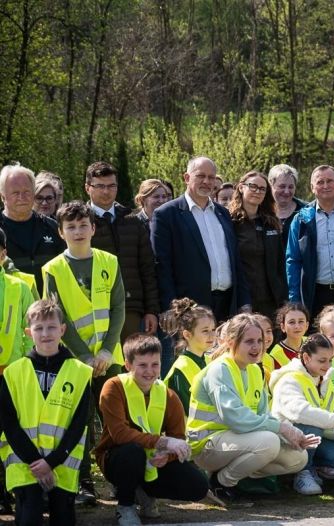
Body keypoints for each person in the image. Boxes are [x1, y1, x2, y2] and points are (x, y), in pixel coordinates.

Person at [42, 200, 126, 505]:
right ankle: (83, 483)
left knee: (116, 421)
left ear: (93, 228)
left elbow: (118, 308)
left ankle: (119, 478)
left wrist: (105, 351)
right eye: (71, 227)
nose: (78, 231)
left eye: (83, 225)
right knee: (78, 423)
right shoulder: (52, 269)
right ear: (62, 233)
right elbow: (58, 316)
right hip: (74, 360)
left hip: (109, 357)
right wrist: (85, 357)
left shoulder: (109, 262)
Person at [187, 313, 315, 502]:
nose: (256, 347)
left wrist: (290, 435)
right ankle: (220, 484)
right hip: (206, 445)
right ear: (231, 342)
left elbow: (263, 415)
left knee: (298, 457)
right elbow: (236, 419)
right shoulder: (219, 369)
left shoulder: (256, 370)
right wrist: (282, 428)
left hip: (238, 440)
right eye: (249, 341)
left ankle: (233, 476)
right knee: (269, 442)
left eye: (259, 340)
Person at [96, 333, 208, 524]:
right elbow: (120, 434)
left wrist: (168, 456)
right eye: (142, 365)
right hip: (116, 457)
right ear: (128, 365)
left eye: (155, 364)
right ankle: (125, 505)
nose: (149, 371)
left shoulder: (169, 396)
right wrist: (163, 442)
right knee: (132, 452)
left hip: (152, 460)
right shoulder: (113, 387)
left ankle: (145, 491)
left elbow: (178, 437)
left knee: (198, 485)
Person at [0, 299, 91, 526]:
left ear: (62, 330)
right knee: (29, 517)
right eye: (38, 328)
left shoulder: (80, 372)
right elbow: (9, 423)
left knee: (63, 519)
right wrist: (37, 463)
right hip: (24, 463)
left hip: (62, 462)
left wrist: (51, 462)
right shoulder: (13, 372)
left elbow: (79, 424)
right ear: (29, 332)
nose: (45, 333)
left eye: (51, 327)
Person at [270, 334, 334, 496]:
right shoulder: (289, 380)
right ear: (306, 358)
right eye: (322, 360)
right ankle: (302, 473)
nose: (327, 365)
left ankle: (313, 467)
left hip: (312, 437)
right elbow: (300, 412)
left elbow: (326, 416)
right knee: (312, 423)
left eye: (330, 360)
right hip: (285, 440)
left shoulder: (324, 380)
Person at [151, 156, 251, 322]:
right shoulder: (166, 214)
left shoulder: (223, 214)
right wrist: (170, 308)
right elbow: (162, 266)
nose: (207, 181)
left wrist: (244, 301)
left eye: (211, 177)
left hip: (227, 306)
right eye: (201, 176)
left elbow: (235, 261)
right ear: (186, 178)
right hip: (190, 309)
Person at [287, 165, 334, 340]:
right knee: (318, 346)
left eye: (330, 181)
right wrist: (295, 299)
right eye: (320, 182)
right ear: (312, 188)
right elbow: (293, 260)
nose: (325, 185)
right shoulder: (301, 219)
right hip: (316, 294)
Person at [85, 161, 160, 340]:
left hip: (131, 308)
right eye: (100, 186)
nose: (106, 191)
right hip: (93, 310)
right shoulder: (80, 222)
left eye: (111, 186)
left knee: (131, 364)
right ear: (88, 188)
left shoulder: (132, 220)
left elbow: (147, 269)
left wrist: (151, 310)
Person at [229, 171, 287, 320]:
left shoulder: (271, 222)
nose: (257, 191)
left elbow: (281, 262)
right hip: (242, 301)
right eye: (253, 186)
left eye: (262, 189)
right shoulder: (230, 222)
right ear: (241, 188)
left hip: (272, 301)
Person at [0, 164, 65, 293]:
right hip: (8, 310)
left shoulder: (53, 227)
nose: (22, 197)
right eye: (15, 193)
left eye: (26, 192)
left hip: (49, 309)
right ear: (3, 197)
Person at [161, 298, 216, 414]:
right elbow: (185, 411)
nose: (212, 335)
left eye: (213, 329)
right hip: (192, 430)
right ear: (187, 334)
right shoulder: (180, 369)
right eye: (205, 331)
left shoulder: (210, 361)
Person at [0, 228, 34, 374]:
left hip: (14, 370)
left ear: (3, 254)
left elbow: (32, 328)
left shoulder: (20, 287)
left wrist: (27, 360)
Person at [268, 164, 307, 245]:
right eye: (282, 186)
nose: (286, 191)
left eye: (291, 187)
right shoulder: (261, 210)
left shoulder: (306, 211)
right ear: (271, 185)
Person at [269, 303, 309, 369]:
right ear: (283, 327)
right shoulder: (275, 354)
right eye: (292, 322)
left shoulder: (312, 343)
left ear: (307, 325)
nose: (297, 326)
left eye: (301, 321)